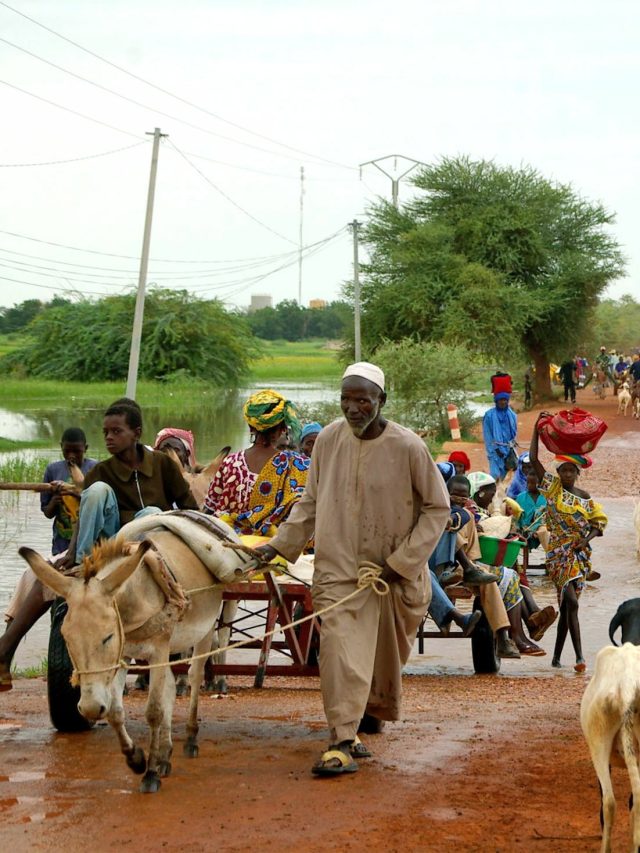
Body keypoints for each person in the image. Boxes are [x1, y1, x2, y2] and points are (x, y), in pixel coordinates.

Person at [253, 361, 450, 776]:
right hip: (338, 572)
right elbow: (309, 503)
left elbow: (437, 509)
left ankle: (363, 720)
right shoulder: (327, 440)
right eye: (346, 399)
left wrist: (401, 563)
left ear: (382, 401)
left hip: (389, 578)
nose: (353, 408)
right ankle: (341, 739)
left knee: (379, 659)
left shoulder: (409, 447)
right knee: (339, 651)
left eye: (363, 400)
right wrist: (278, 546)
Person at [0, 429, 98, 691]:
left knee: (47, 578)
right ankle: (6, 650)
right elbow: (46, 512)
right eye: (68, 450)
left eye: (77, 450)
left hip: (88, 550)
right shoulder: (53, 470)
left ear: (86, 448)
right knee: (30, 576)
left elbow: (91, 510)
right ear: (61, 448)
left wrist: (79, 491)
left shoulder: (96, 472)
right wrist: (55, 499)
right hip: (62, 547)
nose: (72, 455)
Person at [529, 416, 608, 672]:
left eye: (571, 471)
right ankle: (580, 657)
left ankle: (556, 658)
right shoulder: (552, 489)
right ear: (559, 472)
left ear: (577, 473)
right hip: (557, 555)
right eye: (563, 470)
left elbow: (599, 524)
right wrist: (534, 430)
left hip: (580, 556)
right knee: (572, 604)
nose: (566, 474)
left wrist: (584, 541)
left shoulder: (585, 498)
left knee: (567, 606)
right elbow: (533, 460)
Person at [203, 390, 310, 536]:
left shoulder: (230, 463)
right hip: (273, 547)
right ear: (283, 427)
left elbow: (209, 508)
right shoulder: (297, 465)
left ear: (251, 427)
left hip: (227, 541)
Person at [482, 392, 518, 482]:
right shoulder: (489, 416)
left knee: (506, 477)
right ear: (496, 401)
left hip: (508, 449)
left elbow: (513, 433)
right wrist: (496, 449)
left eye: (505, 400)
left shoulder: (512, 415)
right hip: (494, 452)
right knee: (495, 476)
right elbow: (488, 435)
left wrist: (511, 445)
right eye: (500, 400)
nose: (503, 402)